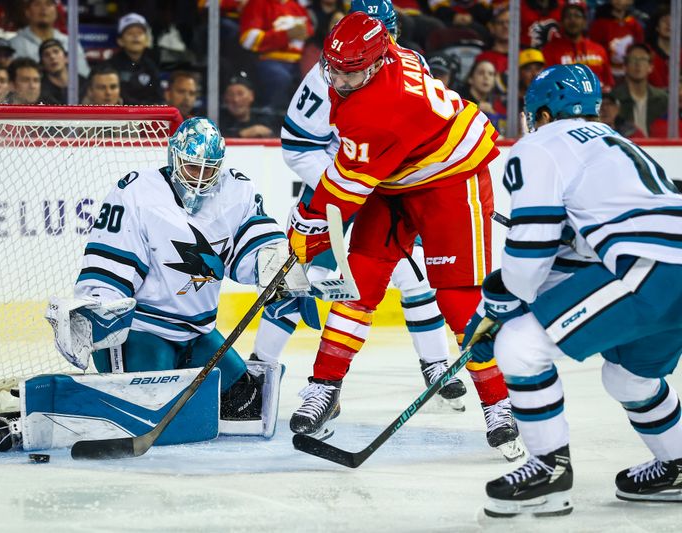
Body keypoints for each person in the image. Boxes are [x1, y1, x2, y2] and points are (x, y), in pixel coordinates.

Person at [0, 118, 298, 452]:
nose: (200, 179)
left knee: (247, 405)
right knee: (143, 413)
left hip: (197, 334)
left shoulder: (236, 189)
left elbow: (253, 243)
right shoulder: (135, 192)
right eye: (193, 168)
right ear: (174, 158)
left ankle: (178, 399)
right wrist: (99, 313)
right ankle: (22, 421)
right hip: (142, 331)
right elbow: (109, 267)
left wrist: (275, 265)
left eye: (209, 170)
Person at [285, 12, 520, 458]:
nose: (336, 78)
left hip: (450, 180)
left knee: (459, 301)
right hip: (395, 175)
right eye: (332, 67)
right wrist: (311, 218)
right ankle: (325, 388)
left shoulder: (380, 109)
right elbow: (352, 173)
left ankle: (499, 403)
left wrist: (308, 224)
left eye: (349, 73)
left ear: (375, 65)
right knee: (358, 285)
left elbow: (346, 189)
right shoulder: (381, 56)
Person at [479, 63, 682, 517]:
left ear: (544, 114)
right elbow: (583, 257)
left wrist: (501, 298)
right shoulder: (615, 143)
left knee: (520, 346)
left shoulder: (539, 146)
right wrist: (511, 293)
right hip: (668, 262)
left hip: (650, 266)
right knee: (630, 377)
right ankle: (678, 462)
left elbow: (530, 261)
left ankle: (549, 470)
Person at [239, 0, 314, 111]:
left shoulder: (297, 6)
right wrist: (285, 35)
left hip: (299, 62)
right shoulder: (257, 3)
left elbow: (309, 34)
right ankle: (271, 119)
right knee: (280, 78)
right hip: (268, 59)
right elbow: (248, 39)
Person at [542, 0, 614, 91]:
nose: (573, 20)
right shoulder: (549, 51)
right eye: (568, 16)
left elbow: (608, 84)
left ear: (585, 22)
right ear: (561, 22)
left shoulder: (599, 50)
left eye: (577, 16)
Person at [9, 0, 90, 77]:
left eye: (49, 4)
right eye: (37, 4)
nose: (43, 8)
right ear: (27, 12)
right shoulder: (15, 45)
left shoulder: (69, 43)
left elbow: (83, 76)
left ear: (56, 11)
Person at [611, 43, 668, 137]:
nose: (638, 64)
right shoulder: (614, 99)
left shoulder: (663, 99)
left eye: (643, 59)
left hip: (658, 149)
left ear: (651, 67)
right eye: (633, 59)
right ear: (625, 67)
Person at [107, 13, 163, 106]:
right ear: (120, 41)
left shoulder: (151, 66)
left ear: (147, 40)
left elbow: (158, 97)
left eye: (140, 33)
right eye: (130, 33)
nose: (135, 37)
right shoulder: (110, 66)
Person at [219, 73, 276, 138]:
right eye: (230, 94)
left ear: (251, 96)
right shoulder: (217, 121)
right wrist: (240, 135)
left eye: (240, 94)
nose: (235, 100)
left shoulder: (265, 120)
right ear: (225, 98)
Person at [38, 39, 86, 105]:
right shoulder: (39, 89)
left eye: (56, 52)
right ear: (42, 65)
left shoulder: (83, 84)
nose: (52, 57)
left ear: (66, 58)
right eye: (46, 55)